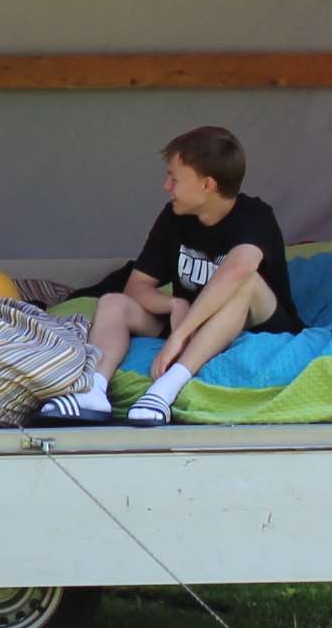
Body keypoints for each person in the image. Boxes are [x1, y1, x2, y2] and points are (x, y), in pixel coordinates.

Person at [41, 125, 306, 427]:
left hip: (256, 324)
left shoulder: (255, 215)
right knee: (113, 302)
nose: (166, 186)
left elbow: (239, 269)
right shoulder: (173, 217)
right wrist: (173, 304)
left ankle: (164, 390)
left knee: (245, 282)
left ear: (207, 184)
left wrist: (179, 335)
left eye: (175, 178)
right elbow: (136, 287)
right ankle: (93, 390)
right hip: (189, 320)